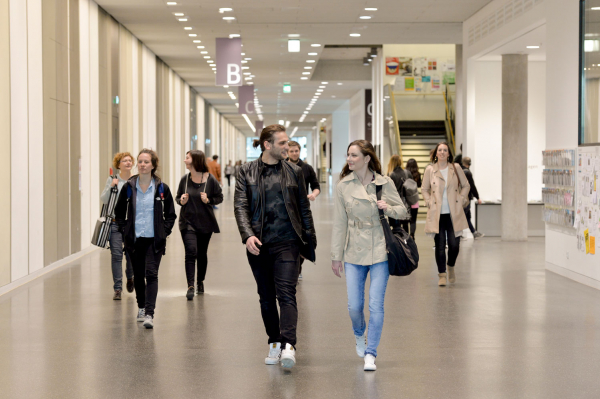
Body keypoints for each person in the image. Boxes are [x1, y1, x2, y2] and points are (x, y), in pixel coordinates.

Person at [234, 124, 316, 369]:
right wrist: (247, 235)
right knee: (266, 297)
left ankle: (289, 345)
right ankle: (274, 342)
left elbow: (303, 208)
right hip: (258, 244)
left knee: (287, 293)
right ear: (267, 145)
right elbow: (240, 206)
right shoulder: (246, 172)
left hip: (288, 242)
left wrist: (308, 239)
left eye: (288, 143)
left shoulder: (294, 171)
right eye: (282, 143)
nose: (287, 147)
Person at [331, 140, 407, 372]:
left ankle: (371, 353)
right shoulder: (343, 186)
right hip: (353, 250)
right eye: (348, 155)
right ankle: (359, 334)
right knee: (355, 306)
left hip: (379, 249)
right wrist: (336, 256)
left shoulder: (385, 183)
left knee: (376, 304)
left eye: (354, 155)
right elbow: (339, 224)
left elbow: (403, 211)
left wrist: (388, 208)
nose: (349, 159)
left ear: (366, 158)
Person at [114, 149, 177, 329]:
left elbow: (170, 214)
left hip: (154, 240)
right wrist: (125, 230)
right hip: (134, 240)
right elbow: (119, 213)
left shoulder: (161, 188)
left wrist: (164, 231)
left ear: (153, 165)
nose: (142, 165)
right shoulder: (128, 187)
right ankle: (141, 306)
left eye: (146, 162)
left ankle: (149, 313)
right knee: (139, 275)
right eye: (140, 161)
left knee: (152, 274)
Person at [176, 150, 223, 300]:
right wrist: (181, 200)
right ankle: (190, 285)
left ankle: (200, 281)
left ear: (195, 160)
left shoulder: (210, 180)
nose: (185, 160)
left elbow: (219, 197)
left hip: (205, 222)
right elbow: (178, 197)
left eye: (187, 158)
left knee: (201, 254)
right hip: (187, 221)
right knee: (190, 251)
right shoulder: (185, 179)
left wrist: (208, 200)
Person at [421, 142, 470, 287]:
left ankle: (451, 266)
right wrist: (429, 200)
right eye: (440, 150)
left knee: (454, 245)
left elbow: (466, 185)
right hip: (437, 214)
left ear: (449, 154)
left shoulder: (456, 168)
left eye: (445, 150)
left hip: (453, 212)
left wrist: (461, 199)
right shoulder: (430, 170)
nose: (442, 152)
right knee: (440, 245)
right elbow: (424, 189)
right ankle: (441, 274)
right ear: (436, 153)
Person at [100, 152, 135, 300]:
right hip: (115, 224)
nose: (127, 162)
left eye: (129, 160)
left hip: (131, 224)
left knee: (131, 255)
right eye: (124, 161)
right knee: (116, 256)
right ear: (118, 164)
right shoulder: (112, 179)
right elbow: (104, 199)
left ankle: (130, 276)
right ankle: (118, 288)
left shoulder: (136, 180)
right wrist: (111, 187)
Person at [287, 140, 321, 281]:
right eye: (292, 151)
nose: (295, 153)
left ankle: (298, 267)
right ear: (287, 152)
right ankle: (290, 267)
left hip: (302, 209)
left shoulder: (306, 168)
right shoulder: (283, 167)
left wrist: (313, 194)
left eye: (297, 151)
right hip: (287, 209)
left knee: (303, 238)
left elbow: (316, 186)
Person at [386, 154, 413, 234]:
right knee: (405, 224)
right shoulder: (407, 173)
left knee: (396, 226)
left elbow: (388, 190)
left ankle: (398, 243)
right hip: (406, 201)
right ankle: (407, 242)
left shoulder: (391, 175)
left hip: (394, 202)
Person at [461, 157, 484, 239]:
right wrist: (478, 197)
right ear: (469, 164)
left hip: (460, 197)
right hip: (467, 198)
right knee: (464, 216)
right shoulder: (468, 173)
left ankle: (473, 232)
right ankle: (459, 234)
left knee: (466, 216)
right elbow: (472, 186)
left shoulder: (459, 171)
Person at [405, 158, 422, 240]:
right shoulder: (418, 174)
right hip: (414, 199)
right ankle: (412, 235)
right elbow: (419, 185)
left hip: (406, 200)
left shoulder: (405, 173)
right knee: (413, 220)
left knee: (405, 220)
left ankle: (406, 236)